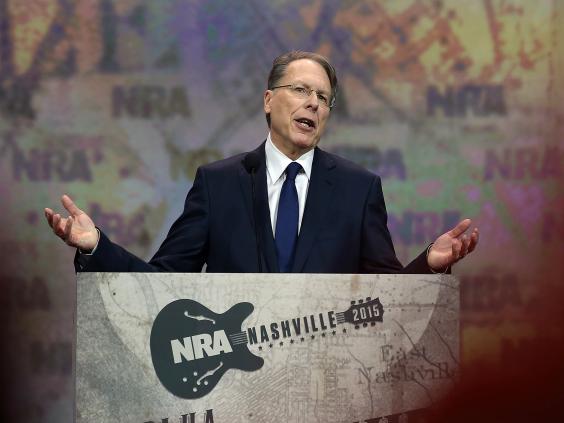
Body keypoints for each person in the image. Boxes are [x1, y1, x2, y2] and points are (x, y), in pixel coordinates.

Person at [44, 51, 478, 274]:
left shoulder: (358, 188)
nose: (313, 103)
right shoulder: (218, 184)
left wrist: (428, 264)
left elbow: (386, 294)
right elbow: (163, 280)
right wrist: (96, 246)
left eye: (323, 97)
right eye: (301, 90)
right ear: (269, 100)